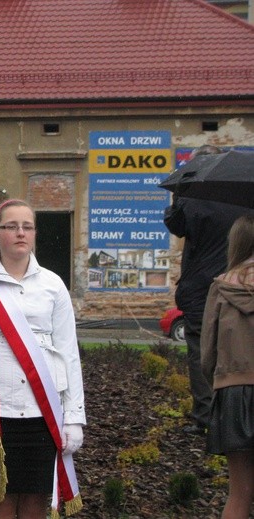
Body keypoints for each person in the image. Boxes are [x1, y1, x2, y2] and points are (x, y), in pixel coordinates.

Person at [0, 199, 86, 518]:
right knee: (0, 502)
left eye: (28, 226)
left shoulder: (53, 286)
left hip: (42, 410)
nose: (20, 233)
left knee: (37, 503)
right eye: (12, 226)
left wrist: (74, 416)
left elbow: (68, 352)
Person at [164, 144, 253, 435]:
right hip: (244, 284)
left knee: (203, 352)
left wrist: (180, 193)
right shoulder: (244, 199)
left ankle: (205, 415)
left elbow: (173, 224)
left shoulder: (194, 200)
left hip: (202, 289)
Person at [201, 214, 254, 519]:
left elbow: (208, 352)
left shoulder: (221, 288)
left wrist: (219, 381)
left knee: (239, 495)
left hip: (233, 393)